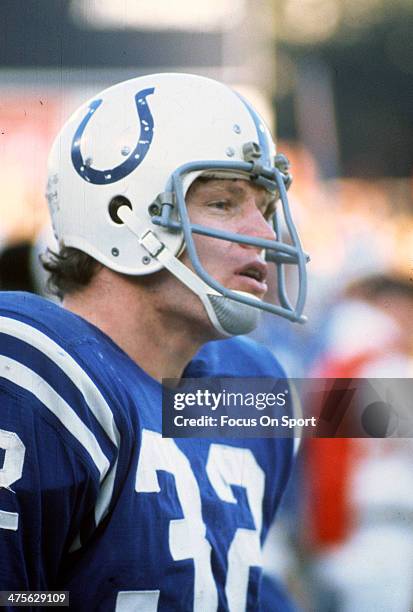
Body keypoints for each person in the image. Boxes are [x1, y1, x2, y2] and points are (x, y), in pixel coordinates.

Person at [0, 73, 307, 611]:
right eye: (223, 202)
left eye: (264, 205)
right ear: (123, 214)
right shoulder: (37, 370)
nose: (265, 234)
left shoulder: (246, 388)